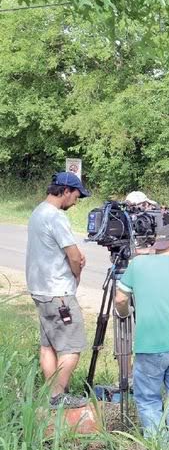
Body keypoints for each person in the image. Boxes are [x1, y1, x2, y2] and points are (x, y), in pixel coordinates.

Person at [115, 225, 169, 450]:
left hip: (149, 345)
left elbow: (121, 298)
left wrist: (124, 312)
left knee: (149, 399)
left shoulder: (137, 264)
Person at [26, 172, 91, 408]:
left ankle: (51, 394)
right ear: (65, 191)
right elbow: (73, 255)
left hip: (40, 289)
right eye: (76, 195)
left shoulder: (37, 212)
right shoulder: (56, 217)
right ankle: (57, 396)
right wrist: (77, 270)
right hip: (59, 293)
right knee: (73, 346)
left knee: (49, 345)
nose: (76, 201)